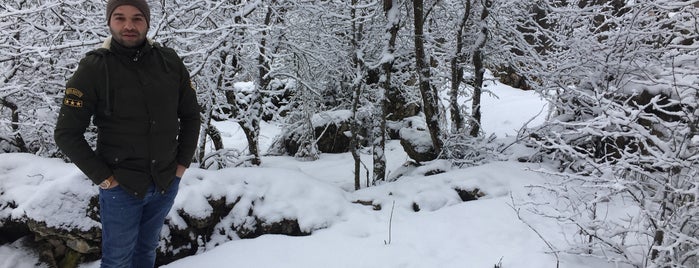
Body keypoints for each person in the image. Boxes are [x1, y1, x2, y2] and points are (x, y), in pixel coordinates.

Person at [54, 0, 200, 267]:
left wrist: (181, 166)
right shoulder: (94, 68)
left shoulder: (169, 61)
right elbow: (66, 133)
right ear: (109, 21)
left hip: (166, 182)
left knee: (146, 252)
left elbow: (191, 115)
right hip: (121, 187)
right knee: (117, 260)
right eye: (120, 18)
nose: (129, 26)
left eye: (137, 18)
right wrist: (106, 179)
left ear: (147, 22)